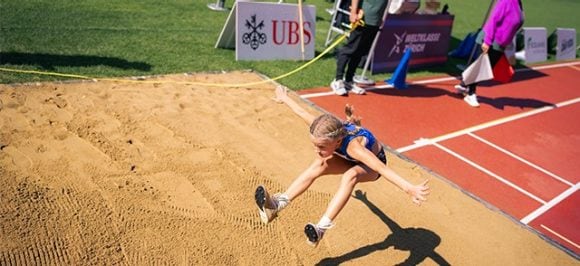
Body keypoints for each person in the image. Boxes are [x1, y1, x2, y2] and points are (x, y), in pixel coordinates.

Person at [255, 86, 430, 247]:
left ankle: (321, 229)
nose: (317, 149)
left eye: (322, 147)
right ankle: (276, 205)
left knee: (350, 176)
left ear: (338, 141)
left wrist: (409, 188)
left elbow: (381, 169)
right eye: (315, 145)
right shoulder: (322, 129)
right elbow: (301, 111)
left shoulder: (354, 148)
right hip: (350, 156)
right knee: (320, 163)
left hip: (372, 163)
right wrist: (285, 98)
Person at [454, 0, 524, 107]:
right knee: (483, 68)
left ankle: (464, 84)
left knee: (485, 67)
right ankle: (471, 93)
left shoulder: (518, 3)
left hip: (501, 43)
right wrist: (487, 41)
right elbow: (494, 19)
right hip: (492, 40)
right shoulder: (506, 1)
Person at [330, 0, 389, 96]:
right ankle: (338, 80)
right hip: (362, 18)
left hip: (375, 21)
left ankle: (348, 80)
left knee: (360, 51)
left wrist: (381, 18)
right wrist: (353, 12)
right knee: (350, 49)